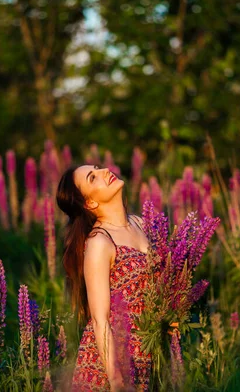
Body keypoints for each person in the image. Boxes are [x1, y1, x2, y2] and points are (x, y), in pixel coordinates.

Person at [56, 164, 152, 391]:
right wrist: (118, 382)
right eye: (93, 177)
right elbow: (101, 320)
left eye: (98, 168)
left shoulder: (142, 223)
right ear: (90, 203)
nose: (105, 171)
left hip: (149, 352)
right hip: (112, 364)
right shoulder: (99, 242)